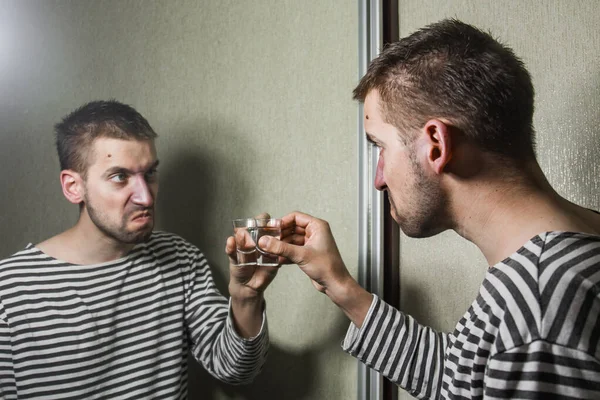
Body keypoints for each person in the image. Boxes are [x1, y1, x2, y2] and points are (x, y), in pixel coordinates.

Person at [259, 19, 600, 399]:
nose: (379, 179)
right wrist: (339, 286)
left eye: (381, 147)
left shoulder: (538, 308)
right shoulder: (560, 262)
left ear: (435, 144)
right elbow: (463, 377)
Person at [0, 100, 277, 399]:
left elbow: (236, 370)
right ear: (72, 187)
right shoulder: (11, 291)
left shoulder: (181, 257)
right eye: (120, 177)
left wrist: (246, 299)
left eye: (150, 174)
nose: (145, 197)